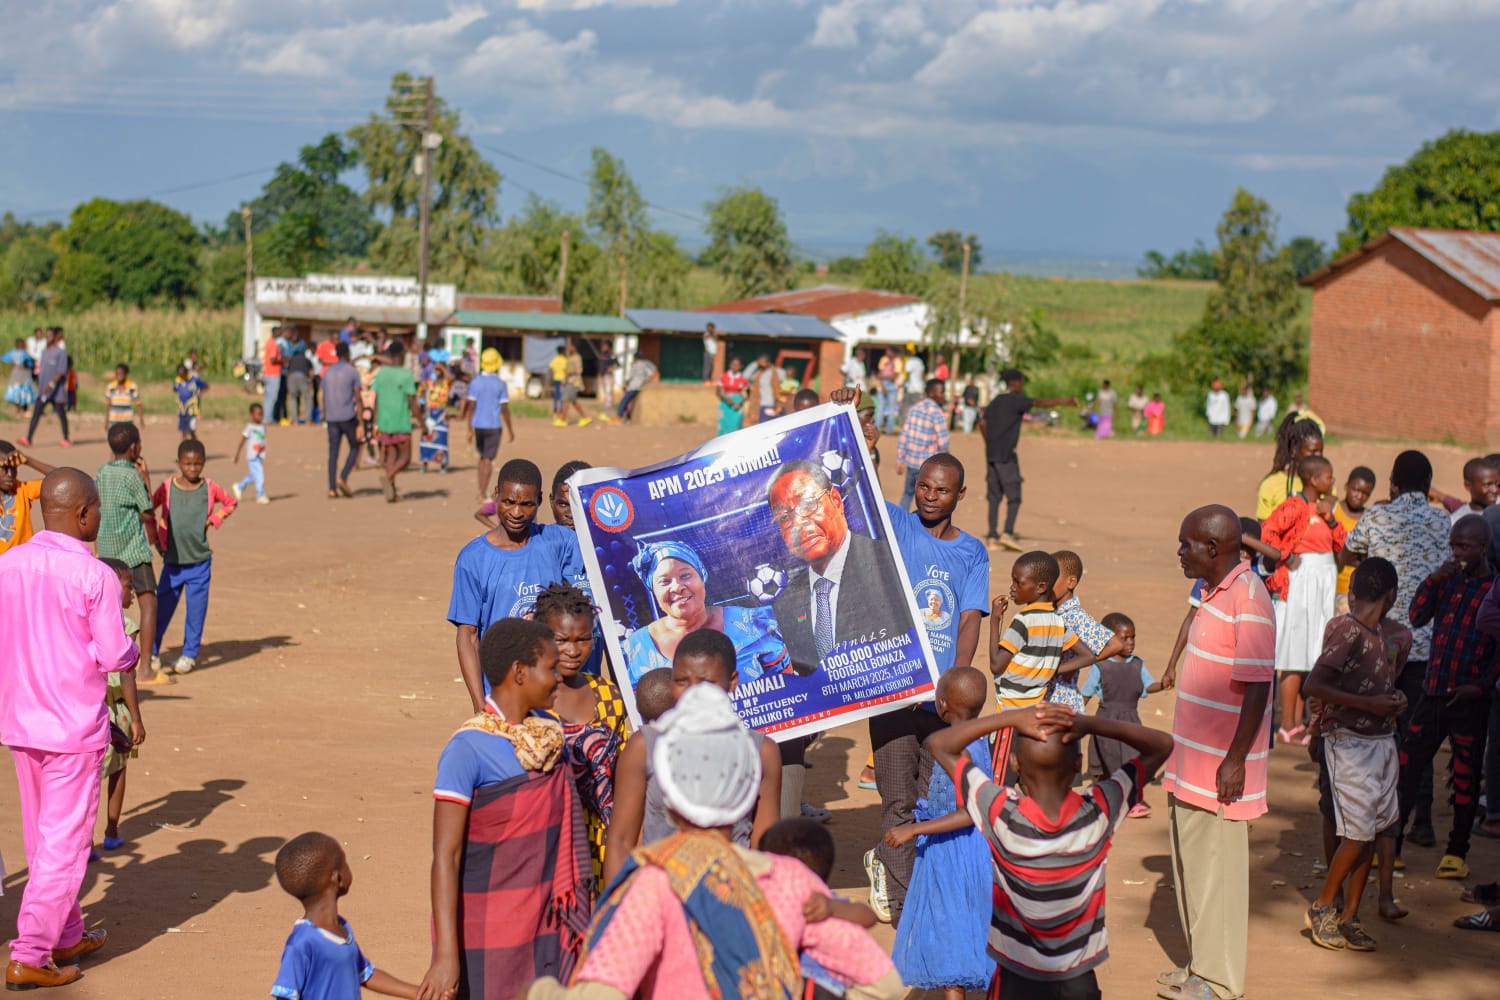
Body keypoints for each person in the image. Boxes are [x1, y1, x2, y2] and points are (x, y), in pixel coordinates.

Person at [529, 682, 901, 1000]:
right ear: (745, 799)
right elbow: (885, 985)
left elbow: (603, 992)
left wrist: (540, 990)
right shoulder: (787, 878)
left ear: (671, 806)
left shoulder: (650, 886)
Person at [930, 700, 1173, 1000]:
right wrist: (1090, 723)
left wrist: (1011, 717)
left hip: (1016, 980)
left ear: (1016, 764)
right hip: (1078, 980)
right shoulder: (1098, 811)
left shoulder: (1000, 813)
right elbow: (1162, 745)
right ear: (1077, 763)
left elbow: (939, 744)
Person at [0, 468, 139, 989]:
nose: (99, 518)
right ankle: (32, 952)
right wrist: (133, 650)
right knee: (65, 841)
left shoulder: (9, 563)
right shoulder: (95, 576)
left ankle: (64, 931)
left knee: (44, 835)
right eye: (97, 510)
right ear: (83, 514)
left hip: (20, 721)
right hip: (70, 728)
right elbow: (112, 654)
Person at [421, 618, 593, 999]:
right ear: (519, 672)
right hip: (490, 926)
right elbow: (446, 856)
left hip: (548, 922)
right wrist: (447, 956)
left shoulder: (549, 733)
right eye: (549, 668)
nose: (557, 678)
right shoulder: (467, 749)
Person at [1157, 505, 1274, 1000]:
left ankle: (1221, 982)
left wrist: (1235, 760)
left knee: (1218, 876)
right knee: (1191, 868)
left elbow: (1257, 688)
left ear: (1213, 548)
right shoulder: (1211, 591)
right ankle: (1200, 965)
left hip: (1221, 767)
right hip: (1191, 759)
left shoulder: (1249, 597)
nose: (1179, 551)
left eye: (1186, 544)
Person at [604, 630, 782, 884]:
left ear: (732, 681)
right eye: (682, 681)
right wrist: (616, 910)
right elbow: (621, 840)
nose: (693, 693)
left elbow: (766, 850)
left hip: (732, 904)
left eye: (706, 682)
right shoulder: (645, 747)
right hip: (659, 904)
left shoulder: (761, 752)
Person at [1342, 450, 1451, 849]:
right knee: (1418, 735)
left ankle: (1377, 824)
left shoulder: (1375, 516)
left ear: (1392, 484)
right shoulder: (1443, 520)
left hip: (1380, 644)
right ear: (1427, 485)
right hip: (1426, 646)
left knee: (1377, 734)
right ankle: (1422, 821)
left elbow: (1351, 549)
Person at [1300, 557, 1407, 951]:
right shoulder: (1347, 629)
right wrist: (1370, 707)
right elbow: (1315, 685)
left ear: (1353, 590)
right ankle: (1324, 906)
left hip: (1380, 740)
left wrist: (1392, 700)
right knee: (1358, 831)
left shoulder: (1382, 633)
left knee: (1372, 830)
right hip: (1348, 741)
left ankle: (1351, 917)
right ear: (1392, 595)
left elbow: (1371, 686)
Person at [886, 667, 995, 998]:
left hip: (954, 852)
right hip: (957, 849)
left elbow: (968, 811)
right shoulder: (976, 739)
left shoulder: (960, 748)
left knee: (950, 931)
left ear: (943, 704)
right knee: (954, 924)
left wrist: (915, 829)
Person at [1399, 515, 1497, 881]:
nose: (1456, 553)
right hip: (1433, 691)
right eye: (1453, 545)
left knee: (1465, 775)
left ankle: (1457, 852)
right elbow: (1416, 616)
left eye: (1464, 546)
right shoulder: (1447, 581)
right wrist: (1432, 579)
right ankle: (1391, 845)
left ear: (1483, 548)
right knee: (1408, 766)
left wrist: (1482, 687)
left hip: (1469, 698)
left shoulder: (1493, 588)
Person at [448, 459, 577, 713]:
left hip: (554, 697)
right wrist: (479, 706)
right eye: (509, 502)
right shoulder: (473, 559)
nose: (517, 513)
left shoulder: (558, 542)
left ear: (540, 501)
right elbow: (468, 635)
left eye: (526, 504)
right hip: (503, 698)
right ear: (496, 495)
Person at [765, 460, 908, 675]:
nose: (799, 523)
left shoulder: (888, 565)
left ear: (836, 501)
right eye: (785, 517)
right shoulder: (786, 603)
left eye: (807, 505)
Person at [987, 551, 1114, 775]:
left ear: (1040, 587)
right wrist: (1050, 669)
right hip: (1036, 715)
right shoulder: (1057, 621)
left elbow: (997, 665)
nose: (1012, 587)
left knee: (1002, 783)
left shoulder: (1022, 621)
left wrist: (994, 621)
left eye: (1018, 581)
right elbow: (1087, 655)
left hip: (1009, 715)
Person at [534, 582, 628, 878]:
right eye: (562, 640)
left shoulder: (609, 695)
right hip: (548, 850)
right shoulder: (529, 701)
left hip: (605, 847)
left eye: (584, 639)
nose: (573, 651)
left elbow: (626, 781)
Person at [272, 831, 420, 1000]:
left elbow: (364, 973)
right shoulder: (301, 943)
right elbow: (285, 995)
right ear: (337, 878)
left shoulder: (341, 928)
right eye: (344, 861)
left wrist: (419, 994)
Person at [621, 539, 790, 686]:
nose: (677, 587)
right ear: (653, 590)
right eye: (664, 581)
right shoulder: (634, 650)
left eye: (685, 575)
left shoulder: (754, 624)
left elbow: (790, 690)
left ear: (702, 577)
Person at [1262, 455, 1346, 743]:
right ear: (1313, 479)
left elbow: (1343, 543)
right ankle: (1287, 723)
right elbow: (1267, 532)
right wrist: (1286, 556)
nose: (1332, 481)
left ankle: (1301, 722)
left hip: (1324, 580)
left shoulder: (1325, 508)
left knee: (1313, 650)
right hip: (1301, 580)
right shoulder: (1293, 506)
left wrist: (1330, 517)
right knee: (1294, 650)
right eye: (1328, 476)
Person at [152, 439, 238, 675]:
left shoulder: (209, 487)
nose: (192, 468)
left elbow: (230, 502)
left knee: (196, 611)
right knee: (161, 610)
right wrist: (158, 533)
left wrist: (214, 519)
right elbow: (150, 505)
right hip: (172, 563)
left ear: (203, 464)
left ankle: (189, 654)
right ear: (179, 463)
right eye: (188, 464)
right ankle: (152, 651)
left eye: (197, 464)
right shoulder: (168, 486)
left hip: (199, 561)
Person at [95, 422, 168, 685]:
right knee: (148, 602)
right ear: (134, 447)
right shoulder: (133, 475)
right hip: (134, 552)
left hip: (107, 551)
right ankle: (146, 667)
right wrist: (146, 478)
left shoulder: (102, 471)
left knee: (109, 607)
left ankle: (109, 661)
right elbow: (147, 510)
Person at [978, 368, 1075, 551]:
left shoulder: (997, 400)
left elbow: (982, 423)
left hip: (991, 455)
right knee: (1014, 496)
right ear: (1015, 383)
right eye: (1022, 382)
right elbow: (1040, 403)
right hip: (1007, 456)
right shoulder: (1017, 400)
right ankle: (1007, 533)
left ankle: (991, 536)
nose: (1022, 385)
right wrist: (1065, 401)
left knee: (994, 496)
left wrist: (989, 443)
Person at [1080, 613, 1162, 817]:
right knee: (1108, 763)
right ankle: (1105, 799)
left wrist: (1162, 684)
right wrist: (1075, 715)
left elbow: (1148, 685)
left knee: (1131, 760)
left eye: (1133, 637)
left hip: (1131, 723)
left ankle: (1130, 801)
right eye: (1125, 638)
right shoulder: (1101, 666)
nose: (1130, 642)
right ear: (1110, 639)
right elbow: (1086, 693)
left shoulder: (1138, 664)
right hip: (1106, 724)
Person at [96, 558, 147, 852]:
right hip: (118, 711)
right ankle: (111, 831)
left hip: (93, 707)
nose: (132, 592)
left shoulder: (86, 620)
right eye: (128, 587)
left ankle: (86, 840)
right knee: (118, 770)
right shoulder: (127, 626)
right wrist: (137, 720)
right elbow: (128, 677)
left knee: (90, 777)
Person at [1051, 550, 1121, 713]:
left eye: (1052, 578)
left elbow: (1115, 645)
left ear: (1071, 582)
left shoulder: (1074, 616)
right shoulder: (1053, 611)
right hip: (1049, 695)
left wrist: (1068, 667)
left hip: (1061, 699)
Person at [462, 348, 514, 503]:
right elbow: (504, 409)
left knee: (482, 457)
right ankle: (482, 493)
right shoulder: (500, 384)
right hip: (493, 425)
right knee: (488, 460)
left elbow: (471, 406)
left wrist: (469, 428)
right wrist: (510, 429)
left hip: (478, 425)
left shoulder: (475, 382)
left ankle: (480, 490)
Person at [372, 342, 422, 503]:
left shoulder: (382, 373)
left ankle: (392, 493)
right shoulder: (406, 375)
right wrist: (422, 422)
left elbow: (376, 398)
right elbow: (412, 402)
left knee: (391, 457)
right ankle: (388, 477)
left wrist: (374, 421)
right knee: (405, 458)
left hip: (384, 422)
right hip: (400, 422)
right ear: (401, 354)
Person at [1255, 414, 1323, 520]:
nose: (1318, 457)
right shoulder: (1271, 485)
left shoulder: (1324, 484)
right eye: (1313, 452)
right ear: (1295, 449)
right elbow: (1264, 530)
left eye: (1320, 452)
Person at [895, 379, 949, 510]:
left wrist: (900, 459)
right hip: (928, 466)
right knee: (926, 499)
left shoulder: (914, 409)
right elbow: (943, 443)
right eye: (941, 392)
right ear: (931, 393)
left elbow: (904, 435)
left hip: (911, 462)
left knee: (907, 494)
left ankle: (900, 524)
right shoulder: (937, 413)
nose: (944, 396)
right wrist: (947, 463)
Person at [1332, 466, 1376, 615]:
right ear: (1346, 486)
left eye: (1365, 494)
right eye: (1356, 490)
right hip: (1329, 585)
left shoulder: (1368, 519)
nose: (1359, 496)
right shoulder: (1332, 510)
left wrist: (1343, 556)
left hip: (1351, 594)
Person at [17, 327, 69, 449]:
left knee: (61, 414)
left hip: (56, 392)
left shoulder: (61, 353)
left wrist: (51, 385)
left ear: (56, 337)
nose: (47, 337)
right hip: (43, 392)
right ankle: (28, 438)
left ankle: (66, 439)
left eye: (50, 335)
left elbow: (61, 372)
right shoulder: (45, 352)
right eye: (47, 335)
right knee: (36, 413)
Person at [322, 341, 362, 499]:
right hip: (347, 416)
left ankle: (332, 488)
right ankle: (343, 476)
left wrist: (324, 415)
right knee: (355, 447)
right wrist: (361, 421)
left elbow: (322, 395)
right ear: (347, 354)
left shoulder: (328, 372)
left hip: (331, 417)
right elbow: (357, 397)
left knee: (333, 453)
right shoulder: (352, 371)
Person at [0, 442, 54, 555]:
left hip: (23, 563)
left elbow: (62, 479)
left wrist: (28, 461)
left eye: (14, 468)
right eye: (4, 469)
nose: (10, 474)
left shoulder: (22, 490)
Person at [231, 402, 271, 506]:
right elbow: (242, 441)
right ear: (252, 415)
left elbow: (262, 440)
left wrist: (263, 452)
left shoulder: (262, 427)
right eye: (258, 414)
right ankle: (260, 495)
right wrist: (237, 454)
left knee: (254, 475)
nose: (260, 416)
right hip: (252, 456)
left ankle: (239, 486)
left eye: (261, 414)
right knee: (260, 475)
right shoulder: (249, 427)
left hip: (259, 455)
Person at [418, 364, 454, 474]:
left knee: (442, 439)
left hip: (441, 414)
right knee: (426, 438)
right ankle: (425, 464)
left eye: (439, 370)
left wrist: (443, 367)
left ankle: (442, 465)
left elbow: (451, 377)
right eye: (435, 370)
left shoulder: (445, 383)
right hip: (429, 413)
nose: (437, 372)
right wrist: (424, 403)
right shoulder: (428, 383)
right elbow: (419, 393)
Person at [1449, 456, 1499, 524]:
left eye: (1497, 484)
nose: (1495, 490)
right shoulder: (1458, 520)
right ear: (1468, 485)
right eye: (1487, 485)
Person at [614, 354, 657, 423]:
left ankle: (619, 415)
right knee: (630, 402)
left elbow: (631, 376)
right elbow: (651, 373)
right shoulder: (646, 364)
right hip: (641, 385)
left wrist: (626, 384)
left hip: (633, 386)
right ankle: (627, 416)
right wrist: (646, 380)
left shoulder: (635, 365)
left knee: (625, 400)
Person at [172, 363, 208, 442]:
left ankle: (196, 447)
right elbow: (175, 389)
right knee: (183, 432)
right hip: (182, 411)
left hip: (191, 411)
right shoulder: (177, 381)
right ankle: (183, 449)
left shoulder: (193, 380)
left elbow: (206, 386)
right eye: (179, 374)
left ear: (186, 372)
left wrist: (199, 394)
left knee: (191, 431)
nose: (181, 376)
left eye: (182, 374)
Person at [746, 352, 785, 425]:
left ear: (768, 362)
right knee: (764, 427)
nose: (762, 363)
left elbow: (784, 379)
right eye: (760, 361)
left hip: (776, 405)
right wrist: (755, 364)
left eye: (764, 361)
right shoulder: (757, 374)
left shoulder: (778, 372)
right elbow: (745, 376)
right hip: (762, 406)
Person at [560, 343, 592, 427]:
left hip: (574, 382)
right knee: (574, 402)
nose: (568, 349)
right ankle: (585, 418)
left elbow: (578, 370)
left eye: (570, 347)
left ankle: (563, 420)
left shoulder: (577, 358)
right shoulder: (569, 358)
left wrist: (569, 372)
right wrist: (564, 380)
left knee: (565, 400)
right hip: (569, 381)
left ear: (574, 348)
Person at [715, 356, 749, 436]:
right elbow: (718, 392)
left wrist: (740, 403)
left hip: (737, 405)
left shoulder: (743, 379)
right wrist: (726, 399)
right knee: (723, 425)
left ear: (741, 366)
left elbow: (748, 395)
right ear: (730, 365)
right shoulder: (724, 376)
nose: (735, 367)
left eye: (737, 365)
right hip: (725, 404)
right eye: (733, 365)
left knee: (735, 426)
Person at [285, 335, 315, 424]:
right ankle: (308, 420)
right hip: (302, 377)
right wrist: (310, 381)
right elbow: (311, 372)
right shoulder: (306, 359)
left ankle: (295, 420)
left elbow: (287, 371)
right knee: (307, 398)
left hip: (291, 377)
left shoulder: (292, 359)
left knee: (293, 398)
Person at [104, 363, 143, 430]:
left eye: (121, 373)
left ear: (126, 374)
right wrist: (106, 421)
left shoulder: (132, 387)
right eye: (117, 374)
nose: (119, 376)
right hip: (114, 421)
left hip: (127, 421)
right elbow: (108, 405)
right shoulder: (110, 387)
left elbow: (138, 404)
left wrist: (141, 420)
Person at [3, 338, 35, 414]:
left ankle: (22, 409)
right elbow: (5, 358)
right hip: (16, 375)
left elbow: (30, 362)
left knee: (24, 392)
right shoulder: (13, 353)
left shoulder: (25, 353)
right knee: (15, 391)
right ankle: (19, 409)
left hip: (24, 375)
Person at [262, 329, 285, 426]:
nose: (281, 333)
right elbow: (272, 359)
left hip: (269, 373)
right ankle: (267, 419)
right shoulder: (273, 344)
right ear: (275, 332)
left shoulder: (270, 342)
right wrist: (283, 361)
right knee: (271, 397)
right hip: (273, 374)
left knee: (268, 397)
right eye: (279, 332)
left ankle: (267, 417)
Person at [549, 345, 569, 426]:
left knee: (556, 397)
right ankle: (560, 413)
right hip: (562, 381)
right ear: (562, 351)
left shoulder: (555, 359)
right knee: (562, 397)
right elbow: (567, 370)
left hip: (556, 380)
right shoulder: (565, 360)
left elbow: (550, 368)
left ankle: (555, 413)